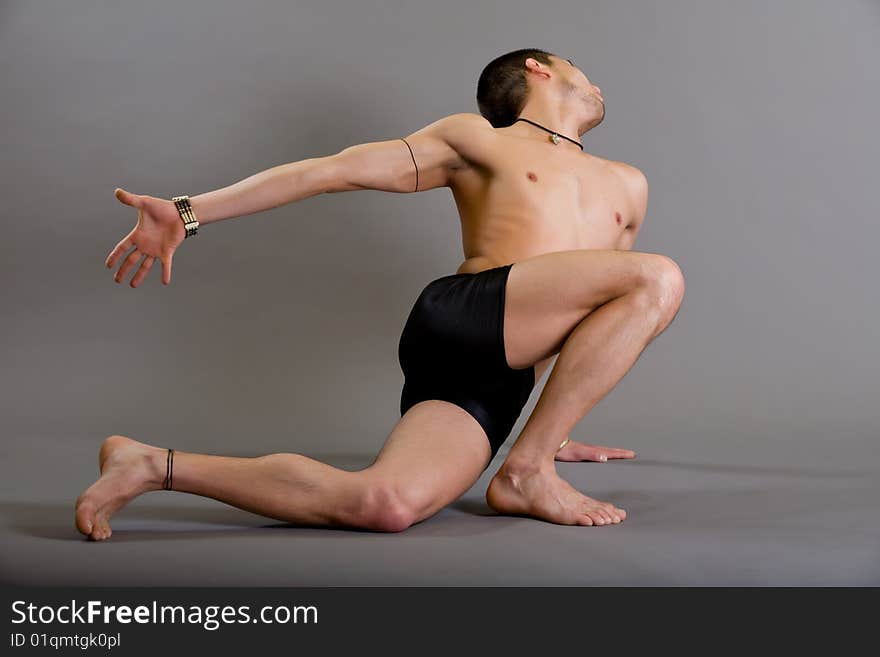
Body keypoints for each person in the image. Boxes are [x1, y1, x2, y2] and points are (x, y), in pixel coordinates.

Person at [76, 48, 684, 541]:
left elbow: (596, 318)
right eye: (581, 66)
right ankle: (526, 470)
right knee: (658, 276)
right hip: (466, 314)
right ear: (540, 69)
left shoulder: (628, 184)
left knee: (384, 503)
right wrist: (188, 212)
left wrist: (560, 424)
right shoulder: (478, 138)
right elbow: (329, 170)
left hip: (504, 369)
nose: (598, 82)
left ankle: (151, 464)